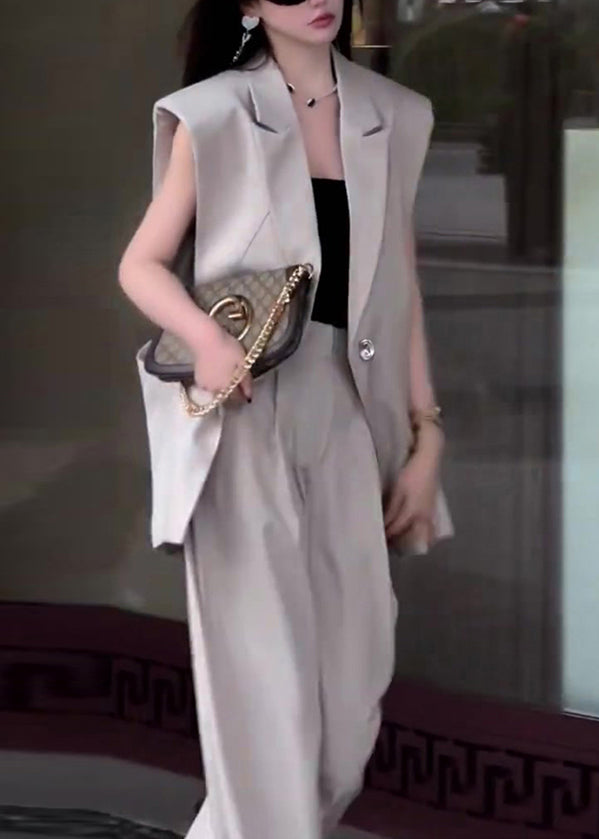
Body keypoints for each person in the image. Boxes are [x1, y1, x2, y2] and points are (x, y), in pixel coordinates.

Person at [118, 1, 454, 837]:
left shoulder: (397, 115)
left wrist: (428, 436)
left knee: (349, 704)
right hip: (245, 415)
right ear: (247, 4)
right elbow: (142, 264)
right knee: (261, 696)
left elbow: (402, 291)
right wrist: (206, 340)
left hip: (353, 414)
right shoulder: (212, 114)